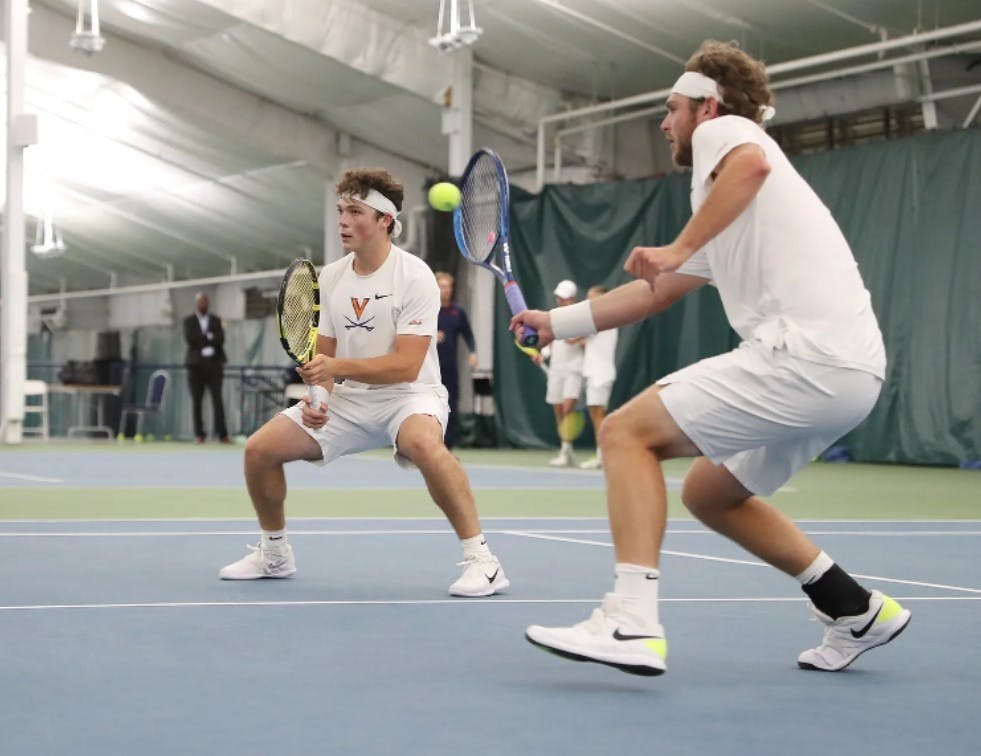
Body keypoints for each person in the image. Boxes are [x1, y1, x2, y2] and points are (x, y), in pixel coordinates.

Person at [511, 40, 909, 676]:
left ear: (708, 105)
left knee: (624, 432)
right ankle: (855, 608)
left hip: (806, 355)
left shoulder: (731, 135)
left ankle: (631, 622)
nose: (665, 123)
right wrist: (556, 323)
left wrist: (676, 245)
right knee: (709, 493)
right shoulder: (726, 209)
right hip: (851, 372)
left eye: (671, 109)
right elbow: (656, 291)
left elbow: (747, 165)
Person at [219, 168, 509, 597]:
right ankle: (274, 554)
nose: (342, 220)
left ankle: (482, 562)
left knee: (426, 446)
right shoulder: (331, 277)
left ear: (385, 221)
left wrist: (335, 370)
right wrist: (318, 397)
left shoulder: (415, 276)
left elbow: (406, 366)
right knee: (260, 450)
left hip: (410, 395)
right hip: (348, 399)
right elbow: (327, 355)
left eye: (355, 211)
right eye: (340, 210)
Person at [434, 271, 478, 449]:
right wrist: (431, 336)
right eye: (441, 286)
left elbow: (468, 334)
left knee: (450, 405)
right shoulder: (427, 310)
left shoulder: (458, 312)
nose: (445, 290)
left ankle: (447, 447)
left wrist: (473, 352)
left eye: (448, 287)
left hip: (450, 368)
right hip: (428, 370)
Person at [544, 280, 585, 467]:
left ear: (572, 298)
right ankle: (566, 450)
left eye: (564, 298)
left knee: (568, 407)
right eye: (559, 298)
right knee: (559, 409)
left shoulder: (581, 316)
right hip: (556, 368)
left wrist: (574, 337)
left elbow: (576, 339)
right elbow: (552, 340)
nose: (560, 301)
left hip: (574, 368)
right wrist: (543, 354)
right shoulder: (554, 316)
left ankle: (567, 448)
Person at [579, 285, 618, 469]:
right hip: (595, 372)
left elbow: (572, 335)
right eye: (588, 297)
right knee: (597, 415)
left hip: (600, 374)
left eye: (593, 298)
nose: (589, 301)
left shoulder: (602, 317)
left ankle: (603, 455)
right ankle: (602, 454)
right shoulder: (601, 320)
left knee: (598, 416)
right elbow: (582, 340)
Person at [183, 292, 230, 443]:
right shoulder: (189, 321)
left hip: (214, 365)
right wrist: (209, 337)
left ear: (208, 303)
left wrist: (207, 338)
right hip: (195, 366)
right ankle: (199, 434)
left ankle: (222, 434)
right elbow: (191, 339)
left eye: (205, 302)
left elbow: (221, 339)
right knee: (196, 400)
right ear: (197, 303)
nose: (203, 304)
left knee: (217, 399)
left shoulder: (216, 320)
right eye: (200, 302)